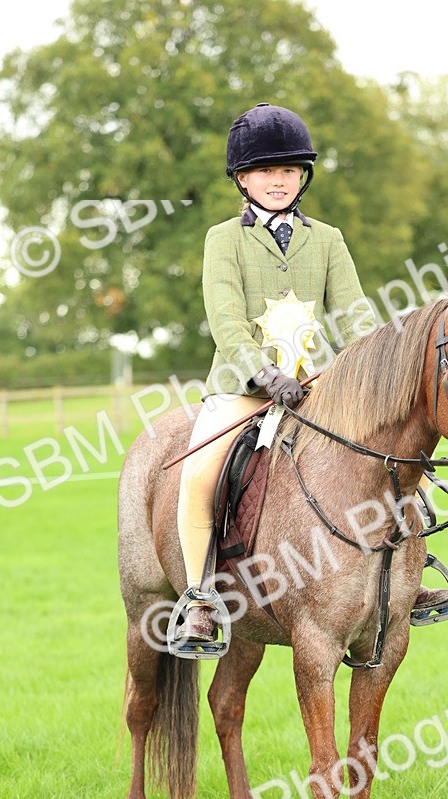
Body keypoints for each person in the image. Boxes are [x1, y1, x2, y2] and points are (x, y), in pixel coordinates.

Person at [173, 102, 429, 657]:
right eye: (266, 171)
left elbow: (356, 315)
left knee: (401, 449)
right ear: (243, 179)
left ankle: (416, 566)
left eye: (288, 171)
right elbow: (226, 319)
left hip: (323, 390)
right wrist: (264, 375)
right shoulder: (224, 240)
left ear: (303, 177)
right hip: (244, 388)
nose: (278, 181)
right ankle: (198, 598)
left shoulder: (328, 239)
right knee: (199, 475)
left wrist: (366, 368)